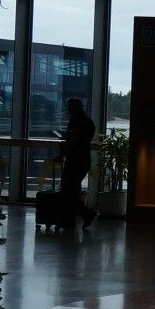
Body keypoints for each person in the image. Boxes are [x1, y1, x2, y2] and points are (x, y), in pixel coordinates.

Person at [60, 97, 97, 230]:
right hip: (83, 159)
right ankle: (78, 215)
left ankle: (85, 213)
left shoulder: (77, 121)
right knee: (72, 190)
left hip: (75, 160)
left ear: (74, 108)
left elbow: (74, 141)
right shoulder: (87, 121)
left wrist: (62, 154)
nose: (67, 110)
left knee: (67, 190)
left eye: (69, 107)